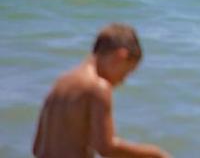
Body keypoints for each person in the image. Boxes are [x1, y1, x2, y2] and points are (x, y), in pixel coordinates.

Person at [33, 24, 171, 158]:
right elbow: (106, 148)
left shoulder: (60, 83)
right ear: (120, 56)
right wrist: (155, 154)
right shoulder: (98, 87)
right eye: (126, 73)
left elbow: (37, 146)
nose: (122, 81)